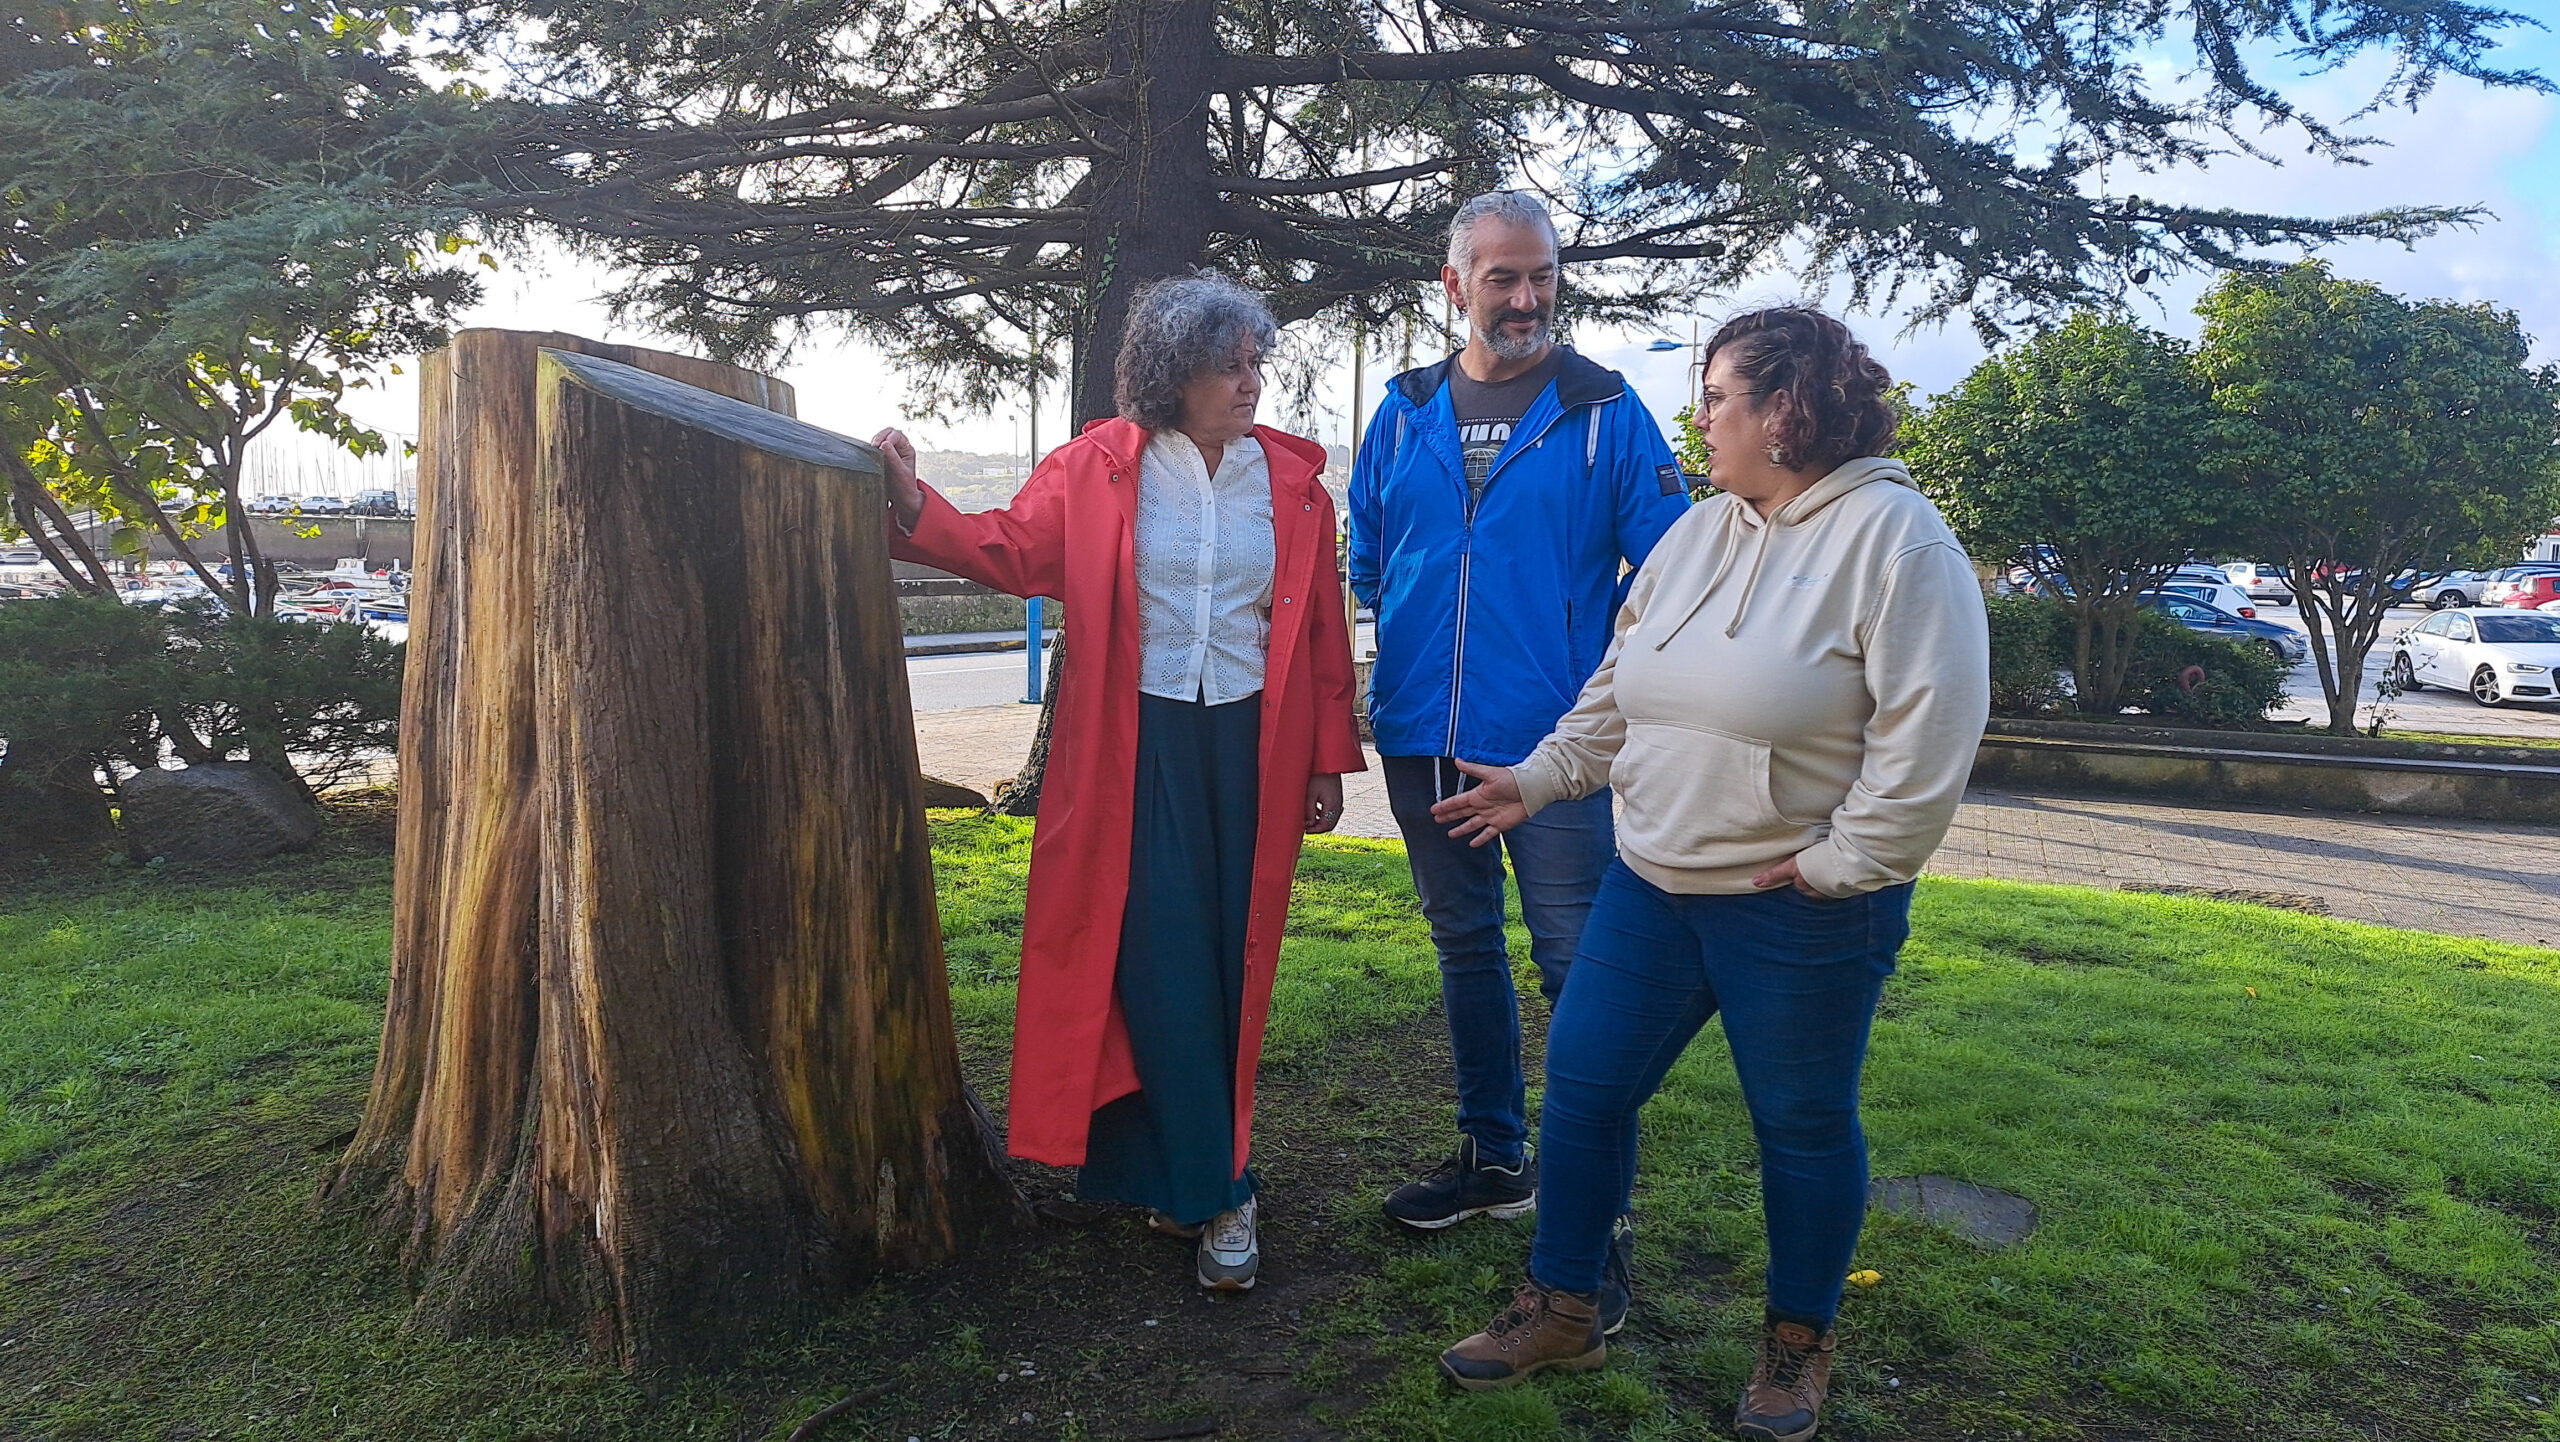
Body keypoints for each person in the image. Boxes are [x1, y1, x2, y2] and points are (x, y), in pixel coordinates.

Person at [1426, 306, 1991, 1442]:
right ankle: (1565, 1306)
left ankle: (1795, 1343)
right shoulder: (1698, 531)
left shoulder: (1899, 542)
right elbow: (1618, 685)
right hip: (1651, 882)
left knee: (1800, 1122)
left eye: (1717, 396)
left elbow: (1929, 743)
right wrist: (1538, 780)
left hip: (1797, 906)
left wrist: (1844, 866)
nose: (1701, 416)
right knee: (1583, 1089)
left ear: (1785, 411)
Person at [872, 272, 1365, 1293]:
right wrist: (918, 504)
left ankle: (1193, 1169)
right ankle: (1217, 1188)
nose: (1249, 382)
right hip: (1133, 750)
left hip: (1252, 748)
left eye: (1256, 362)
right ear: (1172, 372)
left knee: (1233, 958)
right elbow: (1009, 546)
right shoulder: (1100, 467)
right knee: (1155, 957)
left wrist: (1326, 756)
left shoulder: (1294, 483)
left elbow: (1320, 626)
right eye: (1227, 364)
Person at [1346, 192, 1689, 1295]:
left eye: (1541, 274)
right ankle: (1495, 1155)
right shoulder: (1400, 410)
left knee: (1576, 970)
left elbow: (1675, 575)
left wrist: (1600, 705)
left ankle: (1603, 1213)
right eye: (1501, 277)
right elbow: (1372, 553)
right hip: (1421, 742)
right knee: (1464, 950)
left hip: (1551, 758)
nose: (1527, 297)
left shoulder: (1605, 410)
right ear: (1454, 285)